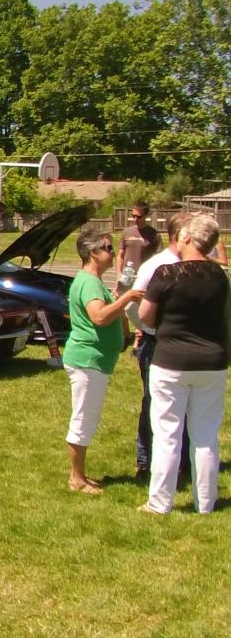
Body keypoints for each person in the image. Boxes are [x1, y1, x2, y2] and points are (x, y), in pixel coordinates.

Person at [138, 214, 228, 515]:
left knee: (167, 435)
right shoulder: (220, 276)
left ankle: (159, 502)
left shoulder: (166, 273)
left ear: (187, 238)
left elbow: (146, 316)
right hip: (212, 363)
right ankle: (206, 503)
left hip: (171, 362)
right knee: (205, 435)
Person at [63, 230, 143, 494]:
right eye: (108, 248)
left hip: (96, 360)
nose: (112, 252)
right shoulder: (88, 283)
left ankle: (81, 475)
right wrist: (126, 299)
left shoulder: (94, 282)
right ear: (93, 253)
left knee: (88, 416)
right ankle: (76, 478)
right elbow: (98, 317)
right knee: (84, 417)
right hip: (88, 359)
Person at [126, 212, 192, 480]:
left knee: (186, 405)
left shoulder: (194, 264)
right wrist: (152, 329)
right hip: (158, 344)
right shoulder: (157, 266)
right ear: (180, 236)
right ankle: (147, 462)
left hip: (186, 345)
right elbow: (132, 307)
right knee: (156, 405)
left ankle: (182, 464)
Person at [115, 202, 161, 288]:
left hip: (144, 275)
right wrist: (118, 275)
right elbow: (120, 256)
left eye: (139, 216)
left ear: (146, 216)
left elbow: (159, 259)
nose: (135, 219)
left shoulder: (154, 234)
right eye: (133, 216)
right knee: (123, 298)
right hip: (127, 275)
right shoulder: (126, 232)